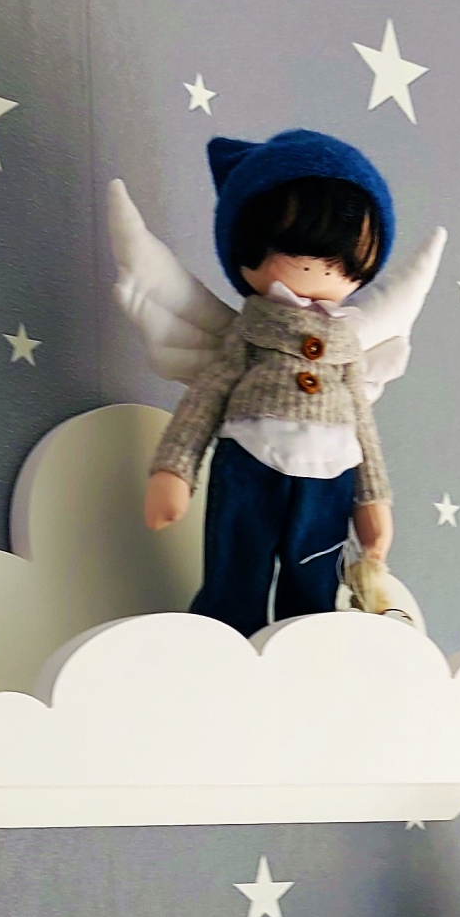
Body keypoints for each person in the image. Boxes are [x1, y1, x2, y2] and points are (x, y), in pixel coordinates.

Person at [143, 130, 399, 636]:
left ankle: (307, 659)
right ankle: (221, 647)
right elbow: (206, 397)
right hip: (250, 464)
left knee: (315, 591)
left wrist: (372, 498)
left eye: (345, 261)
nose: (321, 269)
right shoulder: (249, 335)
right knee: (235, 573)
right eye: (302, 250)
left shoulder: (347, 345)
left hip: (331, 476)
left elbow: (362, 424)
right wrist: (175, 468)